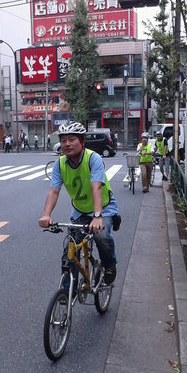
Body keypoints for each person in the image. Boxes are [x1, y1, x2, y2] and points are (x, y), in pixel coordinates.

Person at [39, 121, 119, 287]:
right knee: (70, 251)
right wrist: (46, 215)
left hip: (103, 207)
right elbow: (54, 191)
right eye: (63, 140)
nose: (67, 144)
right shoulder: (60, 164)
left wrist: (97, 217)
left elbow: (96, 186)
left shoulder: (93, 158)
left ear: (82, 142)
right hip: (80, 210)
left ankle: (110, 266)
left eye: (72, 139)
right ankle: (68, 292)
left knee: (101, 236)